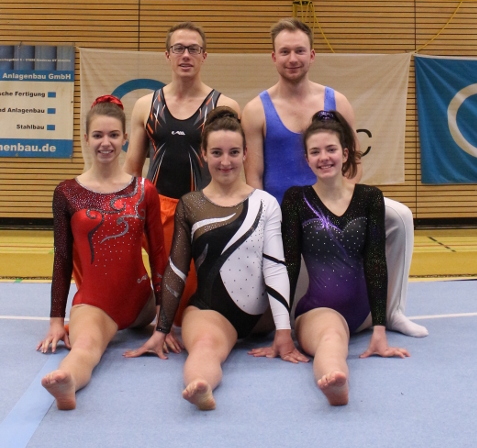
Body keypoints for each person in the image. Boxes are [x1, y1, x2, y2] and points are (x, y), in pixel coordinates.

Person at [241, 18, 427, 338]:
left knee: (400, 217)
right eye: (284, 51)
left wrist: (347, 208)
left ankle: (393, 310)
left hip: (333, 200)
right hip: (288, 214)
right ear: (273, 57)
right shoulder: (256, 109)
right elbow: (254, 177)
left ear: (312, 55)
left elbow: (353, 163)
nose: (292, 58)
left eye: (300, 50)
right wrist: (263, 227)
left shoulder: (337, 102)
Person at [124, 108, 307, 410]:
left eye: (234, 152)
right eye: (217, 152)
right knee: (205, 348)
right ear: (203, 154)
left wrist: (283, 332)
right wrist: (162, 329)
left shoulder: (266, 203)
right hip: (210, 312)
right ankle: (201, 386)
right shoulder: (191, 204)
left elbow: (276, 268)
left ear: (246, 153)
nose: (226, 161)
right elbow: (177, 270)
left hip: (261, 320)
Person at [38, 95, 175, 410]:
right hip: (96, 303)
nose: (106, 142)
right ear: (86, 139)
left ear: (125, 138)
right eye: (98, 135)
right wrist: (56, 320)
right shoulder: (66, 193)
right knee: (86, 347)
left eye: (113, 135)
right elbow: (61, 261)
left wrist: (163, 321)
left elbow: (158, 256)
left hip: (143, 304)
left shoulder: (144, 190)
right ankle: (67, 381)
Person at [280, 110, 409, 406]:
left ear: (345, 152)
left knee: (341, 332)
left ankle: (339, 371)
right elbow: (289, 263)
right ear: (307, 159)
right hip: (318, 311)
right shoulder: (296, 199)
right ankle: (336, 379)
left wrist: (378, 329)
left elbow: (376, 261)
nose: (324, 157)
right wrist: (283, 328)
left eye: (331, 149)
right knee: (331, 338)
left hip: (362, 315)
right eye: (315, 152)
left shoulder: (369, 198)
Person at [124, 22, 240, 319]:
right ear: (167, 55)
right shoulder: (145, 105)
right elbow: (132, 171)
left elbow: (236, 169)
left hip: (204, 210)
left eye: (193, 49)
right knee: (166, 292)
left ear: (204, 55)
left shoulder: (224, 106)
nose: (185, 55)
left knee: (192, 298)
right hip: (158, 209)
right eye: (178, 48)